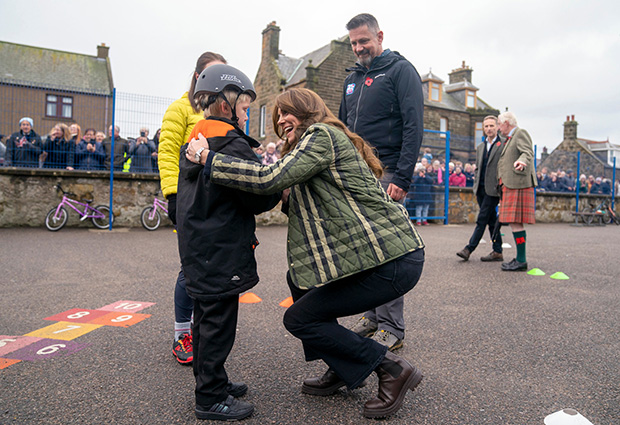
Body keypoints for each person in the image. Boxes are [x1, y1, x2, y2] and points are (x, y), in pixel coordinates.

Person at [186, 87, 425, 420]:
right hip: (379, 257)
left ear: (309, 110)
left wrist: (207, 158)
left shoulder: (321, 134)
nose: (281, 119)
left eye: (288, 112)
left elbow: (268, 178)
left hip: (392, 259)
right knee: (298, 280)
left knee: (299, 318)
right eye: (277, 115)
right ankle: (342, 366)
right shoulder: (309, 150)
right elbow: (297, 201)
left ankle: (390, 368)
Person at [177, 64, 281, 422]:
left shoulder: (198, 138)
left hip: (200, 244)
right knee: (219, 323)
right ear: (226, 103)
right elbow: (257, 193)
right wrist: (278, 186)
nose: (247, 112)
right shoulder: (232, 142)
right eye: (245, 106)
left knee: (204, 316)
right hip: (221, 246)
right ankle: (209, 397)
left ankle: (211, 379)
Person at [338, 13, 424, 351]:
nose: (359, 48)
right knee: (364, 248)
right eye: (354, 43)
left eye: (364, 41)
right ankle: (373, 316)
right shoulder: (353, 78)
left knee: (387, 249)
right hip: (357, 174)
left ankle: (392, 327)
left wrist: (402, 176)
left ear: (380, 36)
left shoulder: (401, 71)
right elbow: (343, 129)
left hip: (388, 172)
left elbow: (414, 126)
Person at [158, 51, 227, 365]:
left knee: (212, 267)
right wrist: (173, 196)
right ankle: (181, 334)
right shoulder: (180, 108)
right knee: (190, 268)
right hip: (188, 199)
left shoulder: (225, 112)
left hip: (216, 200)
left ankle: (203, 333)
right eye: (210, 73)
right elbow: (168, 153)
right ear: (198, 76)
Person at [456, 115, 504, 262]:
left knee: (481, 219)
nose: (489, 129)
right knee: (491, 220)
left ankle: (469, 249)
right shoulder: (481, 146)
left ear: (497, 127)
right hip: (480, 189)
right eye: (486, 126)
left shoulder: (503, 144)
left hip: (493, 189)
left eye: (491, 126)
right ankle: (498, 251)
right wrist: (476, 183)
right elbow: (478, 168)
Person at [496, 111, 537, 271]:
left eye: (499, 124)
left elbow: (527, 152)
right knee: (514, 222)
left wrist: (521, 161)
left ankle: (521, 260)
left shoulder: (520, 133)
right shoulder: (510, 139)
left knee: (515, 222)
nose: (499, 128)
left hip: (517, 184)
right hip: (510, 184)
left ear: (506, 123)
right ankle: (520, 258)